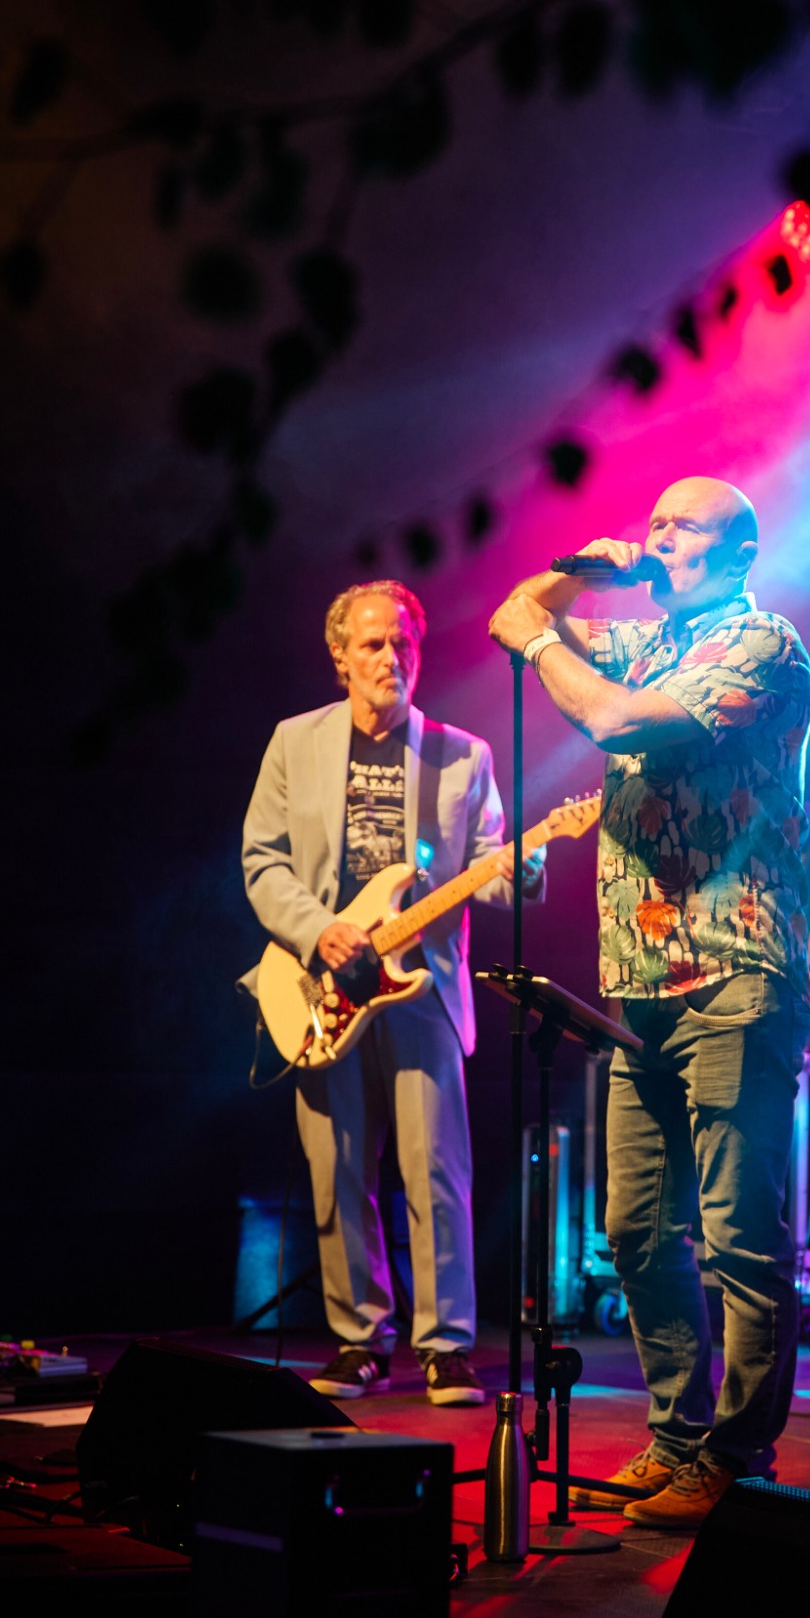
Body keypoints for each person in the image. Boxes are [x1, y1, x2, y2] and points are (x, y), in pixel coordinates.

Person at [488, 477, 810, 1528]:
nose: (659, 537)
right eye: (655, 521)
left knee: (737, 1237)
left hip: (734, 973)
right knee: (634, 1228)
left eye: (683, 527)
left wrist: (545, 641)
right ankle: (676, 1437)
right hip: (641, 992)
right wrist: (583, 573)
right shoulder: (651, 639)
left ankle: (738, 1454)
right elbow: (513, 616)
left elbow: (613, 718)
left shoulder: (759, 644)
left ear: (739, 552)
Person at [241, 580, 544, 1404]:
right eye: (372, 644)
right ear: (339, 656)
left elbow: (489, 870)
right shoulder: (294, 742)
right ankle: (358, 1338)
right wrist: (317, 931)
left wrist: (522, 872)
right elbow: (262, 861)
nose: (390, 657)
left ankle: (445, 1345)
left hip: (422, 986)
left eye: (403, 643)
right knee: (337, 1168)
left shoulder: (462, 754)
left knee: (436, 1170)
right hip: (321, 983)